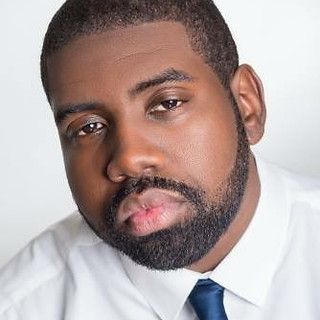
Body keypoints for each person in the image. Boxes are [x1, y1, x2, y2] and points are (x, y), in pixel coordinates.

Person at [1, 0, 319, 319]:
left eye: (167, 104)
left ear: (247, 106)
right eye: (89, 127)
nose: (128, 159)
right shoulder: (24, 308)